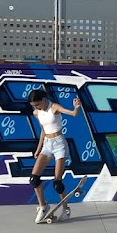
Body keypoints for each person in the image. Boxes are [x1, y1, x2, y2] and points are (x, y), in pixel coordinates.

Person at [27, 89, 82, 224]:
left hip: (59, 145)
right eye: (34, 105)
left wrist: (76, 107)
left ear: (43, 100)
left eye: (37, 104)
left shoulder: (54, 107)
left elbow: (73, 114)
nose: (36, 107)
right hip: (47, 145)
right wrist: (38, 149)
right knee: (34, 179)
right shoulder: (36, 113)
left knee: (57, 183)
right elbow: (43, 131)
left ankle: (66, 208)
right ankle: (43, 206)